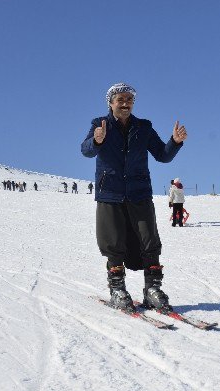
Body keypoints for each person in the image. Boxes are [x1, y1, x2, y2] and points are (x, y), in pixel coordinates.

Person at [81, 82, 187, 313]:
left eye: (129, 100)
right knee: (112, 242)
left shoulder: (144, 127)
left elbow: (162, 155)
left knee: (149, 240)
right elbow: (86, 150)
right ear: (110, 103)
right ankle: (118, 290)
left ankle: (152, 290)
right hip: (110, 192)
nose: (125, 103)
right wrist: (96, 140)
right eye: (120, 99)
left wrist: (175, 143)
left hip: (139, 192)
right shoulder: (100, 125)